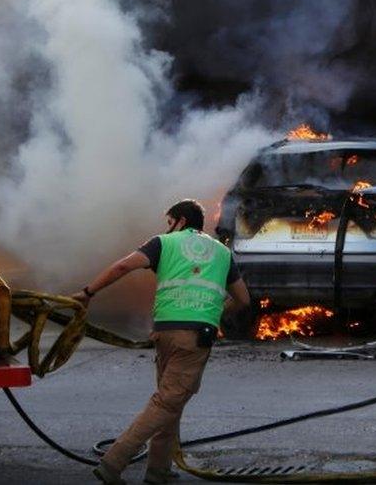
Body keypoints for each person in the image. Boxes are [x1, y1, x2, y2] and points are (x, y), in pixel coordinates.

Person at [71, 199, 251, 485]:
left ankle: (158, 470)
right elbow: (243, 299)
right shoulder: (222, 252)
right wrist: (214, 312)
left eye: (169, 223)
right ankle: (113, 462)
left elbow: (122, 267)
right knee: (167, 402)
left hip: (164, 332)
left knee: (170, 400)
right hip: (195, 336)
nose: (167, 229)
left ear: (180, 221)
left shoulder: (163, 244)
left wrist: (88, 292)